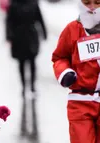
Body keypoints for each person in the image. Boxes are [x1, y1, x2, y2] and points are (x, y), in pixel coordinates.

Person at [52, 0, 100, 142]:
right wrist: (65, 72)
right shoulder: (72, 29)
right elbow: (59, 57)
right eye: (87, 3)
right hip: (81, 102)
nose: (91, 7)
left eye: (97, 3)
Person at [6, 0, 47, 97]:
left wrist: (44, 32)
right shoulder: (13, 4)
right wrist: (9, 36)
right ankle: (24, 87)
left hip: (31, 35)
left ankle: (32, 86)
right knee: (21, 63)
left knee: (32, 61)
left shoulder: (33, 3)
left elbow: (40, 18)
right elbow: (9, 21)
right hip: (18, 36)